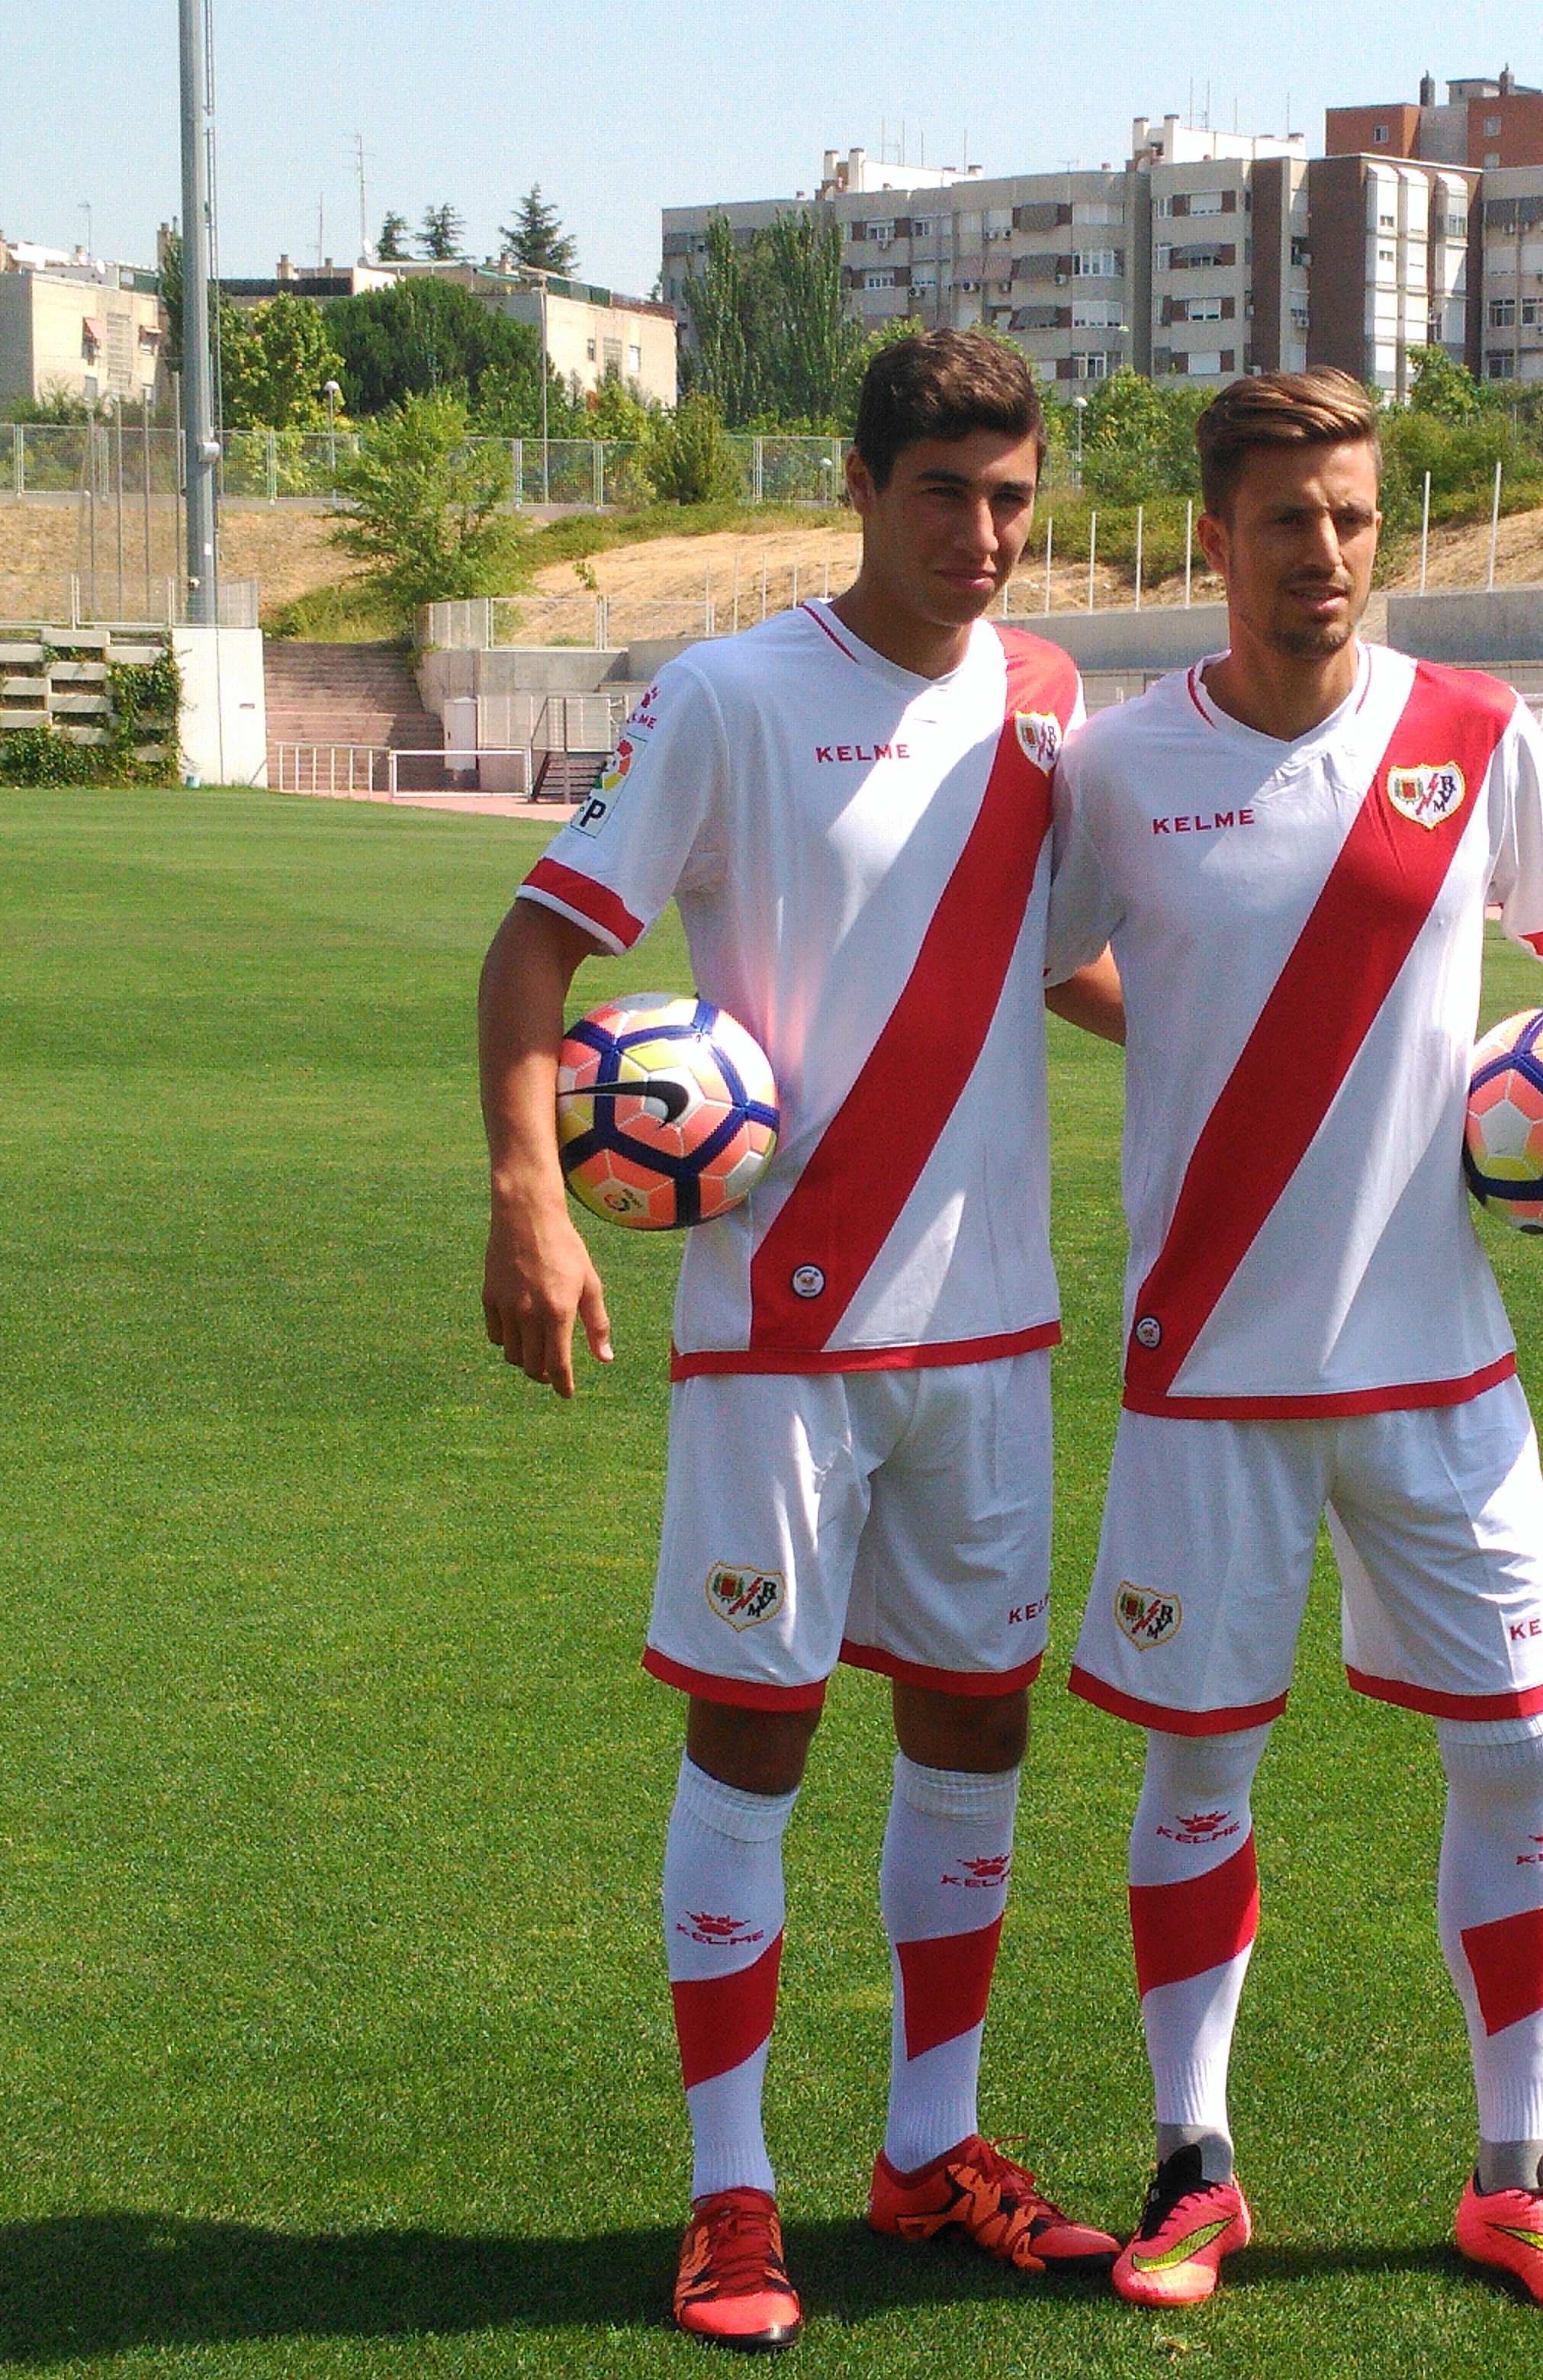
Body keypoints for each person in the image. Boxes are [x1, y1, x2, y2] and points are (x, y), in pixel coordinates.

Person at [1040, 369, 1543, 2323]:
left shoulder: (1475, 731)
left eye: (1351, 518)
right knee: (1199, 1772)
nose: (1326, 555)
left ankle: (1518, 2175)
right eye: (1287, 521)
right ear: (1214, 542)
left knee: (1522, 1750)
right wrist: (1179, 1033)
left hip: (1440, 1362)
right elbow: (1034, 957)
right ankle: (1192, 2169)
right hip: (1212, 1377)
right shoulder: (1114, 764)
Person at [474, 331, 1118, 2354]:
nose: (984, 537)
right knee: (756, 1739)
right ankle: (730, 2190)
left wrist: (1268, 1028)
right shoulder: (733, 696)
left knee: (977, 1730)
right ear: (859, 484)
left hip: (992, 1332)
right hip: (782, 1332)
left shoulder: (1045, 696)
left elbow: (1060, 953)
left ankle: (931, 2148)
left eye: (1014, 499)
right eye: (946, 494)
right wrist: (525, 1196)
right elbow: (538, 941)